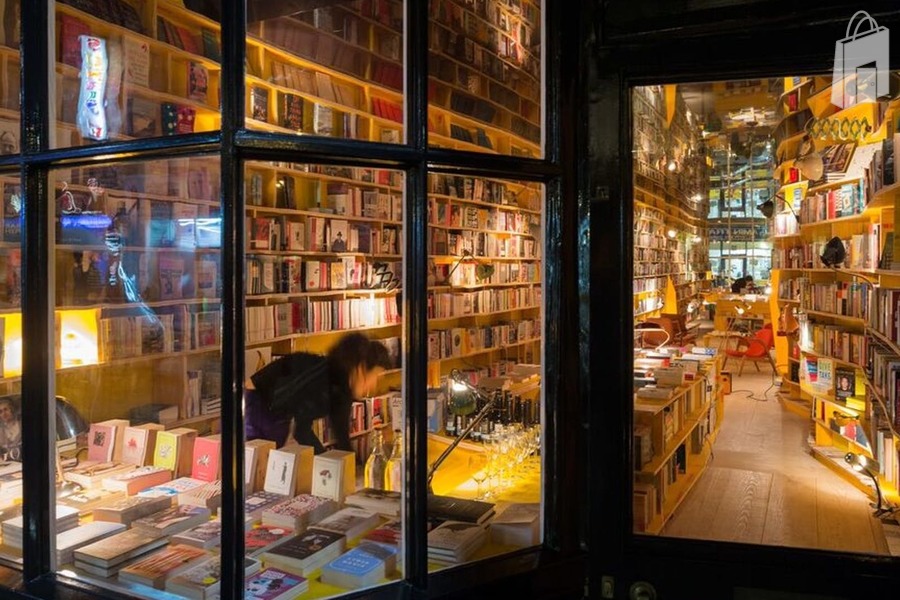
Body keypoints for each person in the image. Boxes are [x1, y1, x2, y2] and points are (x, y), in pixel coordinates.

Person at [245, 332, 392, 453]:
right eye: (375, 376)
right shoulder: (323, 378)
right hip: (260, 401)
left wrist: (338, 464)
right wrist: (328, 461)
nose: (374, 384)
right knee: (262, 461)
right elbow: (301, 429)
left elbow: (341, 437)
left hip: (277, 409)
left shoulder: (342, 393)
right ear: (360, 368)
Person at [0, 396, 21, 461]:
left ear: (12, 409)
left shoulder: (23, 425)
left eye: (6, 409)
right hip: (9, 466)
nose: (4, 413)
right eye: (0, 412)